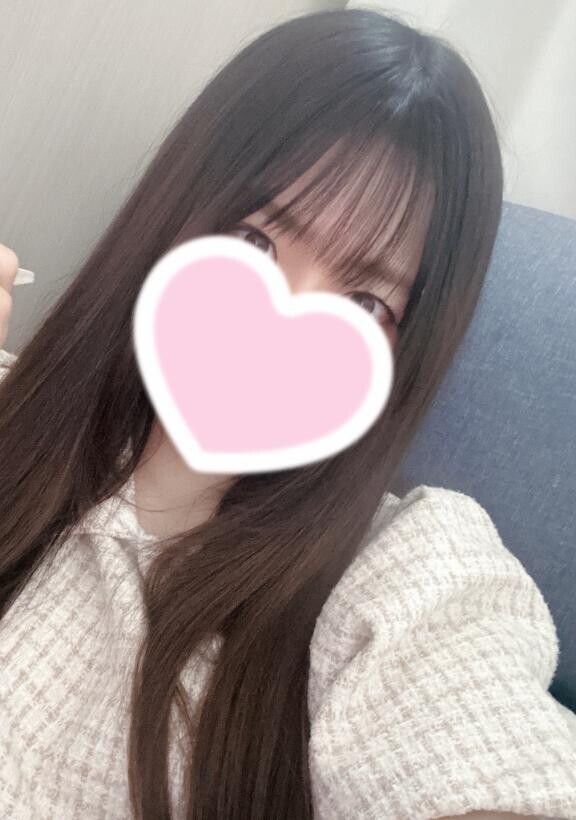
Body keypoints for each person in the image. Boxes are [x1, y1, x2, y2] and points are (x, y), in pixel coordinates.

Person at [0, 8, 575, 820]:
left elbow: (481, 740)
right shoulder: (19, 416)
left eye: (367, 302)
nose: (283, 322)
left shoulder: (403, 567)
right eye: (254, 240)